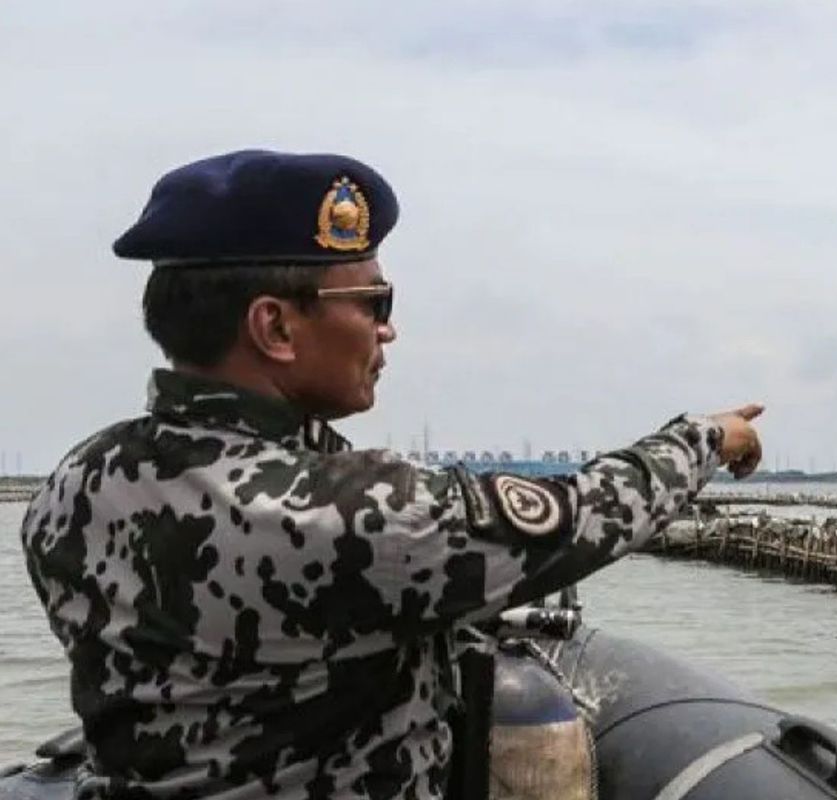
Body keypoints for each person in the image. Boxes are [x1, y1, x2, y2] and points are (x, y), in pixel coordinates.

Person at [18, 150, 764, 799]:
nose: (387, 328)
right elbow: (583, 514)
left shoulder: (76, 484)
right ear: (275, 326)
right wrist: (704, 439)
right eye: (372, 301)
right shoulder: (352, 512)